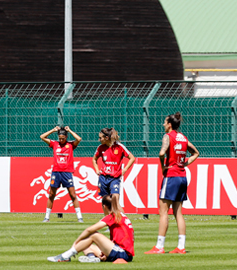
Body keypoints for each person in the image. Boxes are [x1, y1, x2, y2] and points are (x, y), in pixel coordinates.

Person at [145, 112, 199, 255]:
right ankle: (181, 247)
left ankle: (159, 247)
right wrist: (184, 163)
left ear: (169, 124)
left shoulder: (168, 137)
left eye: (164, 122)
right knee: (178, 213)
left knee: (163, 212)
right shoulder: (183, 137)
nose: (163, 124)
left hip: (171, 176)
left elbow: (162, 153)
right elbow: (196, 153)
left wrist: (163, 167)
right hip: (182, 176)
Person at [47, 194, 135, 263]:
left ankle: (65, 256)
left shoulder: (112, 216)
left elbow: (89, 230)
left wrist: (75, 242)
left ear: (104, 206)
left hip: (123, 254)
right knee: (85, 244)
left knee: (93, 235)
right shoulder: (121, 215)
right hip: (122, 252)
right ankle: (91, 258)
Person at [40, 125, 83, 223]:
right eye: (60, 138)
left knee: (72, 195)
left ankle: (79, 217)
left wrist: (70, 130)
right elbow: (42, 137)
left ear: (66, 137)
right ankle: (47, 217)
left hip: (67, 173)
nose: (61, 140)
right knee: (51, 194)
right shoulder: (55, 144)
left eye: (63, 138)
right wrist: (53, 130)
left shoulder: (71, 145)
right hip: (56, 172)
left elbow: (79, 139)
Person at [92, 127, 135, 202]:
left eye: (100, 138)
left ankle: (121, 214)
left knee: (115, 201)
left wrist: (124, 170)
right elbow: (94, 159)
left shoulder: (119, 147)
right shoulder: (100, 148)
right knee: (105, 202)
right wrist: (97, 170)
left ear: (106, 138)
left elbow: (132, 158)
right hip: (103, 178)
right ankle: (107, 214)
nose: (99, 140)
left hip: (115, 178)